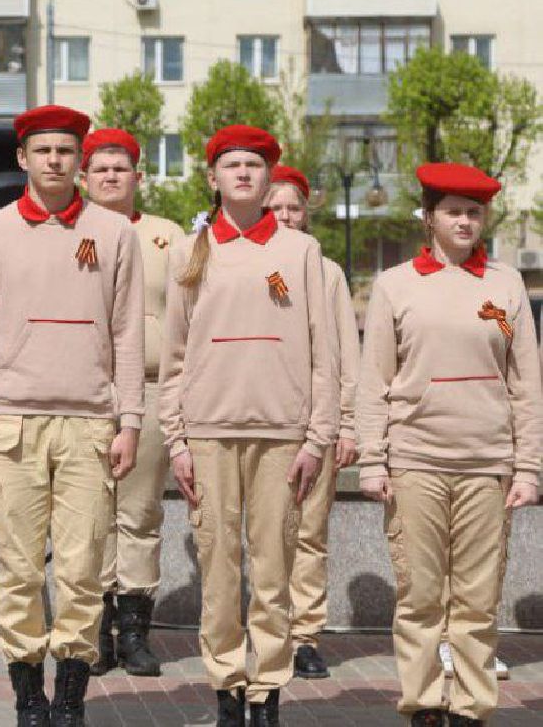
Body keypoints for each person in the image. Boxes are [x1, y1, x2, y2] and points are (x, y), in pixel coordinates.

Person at [0, 105, 145, 727]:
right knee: (16, 570)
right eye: (43, 151)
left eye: (66, 151)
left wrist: (130, 420)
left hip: (90, 425)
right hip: (13, 423)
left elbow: (128, 334)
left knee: (82, 570)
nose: (55, 161)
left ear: (80, 160)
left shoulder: (115, 233)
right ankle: (28, 699)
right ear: (23, 159)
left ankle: (69, 700)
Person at [158, 126, 335, 727]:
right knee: (218, 568)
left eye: (254, 166)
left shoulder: (301, 251)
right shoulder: (190, 251)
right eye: (231, 165)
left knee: (273, 570)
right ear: (213, 178)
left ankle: (269, 689)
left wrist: (317, 437)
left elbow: (323, 352)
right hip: (208, 433)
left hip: (282, 434)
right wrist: (177, 440)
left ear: (268, 179)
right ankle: (227, 687)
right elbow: (174, 357)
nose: (242, 174)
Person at [357, 162, 541, 727]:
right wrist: (372, 459)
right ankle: (424, 704)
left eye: (474, 213)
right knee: (419, 597)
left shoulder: (506, 284)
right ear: (430, 217)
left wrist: (528, 467)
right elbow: (374, 379)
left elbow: (526, 383)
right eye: (453, 212)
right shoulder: (395, 285)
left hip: (487, 464)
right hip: (416, 463)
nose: (464, 222)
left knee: (477, 600)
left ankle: (470, 707)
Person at [82, 127, 184, 678]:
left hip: (149, 387)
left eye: (120, 168)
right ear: (84, 178)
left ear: (138, 177)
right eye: (100, 169)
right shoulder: (71, 231)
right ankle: (95, 628)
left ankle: (135, 630)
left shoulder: (168, 235)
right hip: (88, 389)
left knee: (140, 511)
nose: (110, 177)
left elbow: (190, 311)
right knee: (92, 511)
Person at [265, 165, 360, 681]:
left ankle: (304, 635)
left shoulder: (328, 273)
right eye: (275, 207)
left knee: (309, 534)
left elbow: (346, 350)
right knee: (262, 534)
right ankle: (267, 629)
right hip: (260, 421)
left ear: (306, 212)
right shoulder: (243, 261)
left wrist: (347, 422)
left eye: (293, 207)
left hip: (315, 424)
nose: (285, 216)